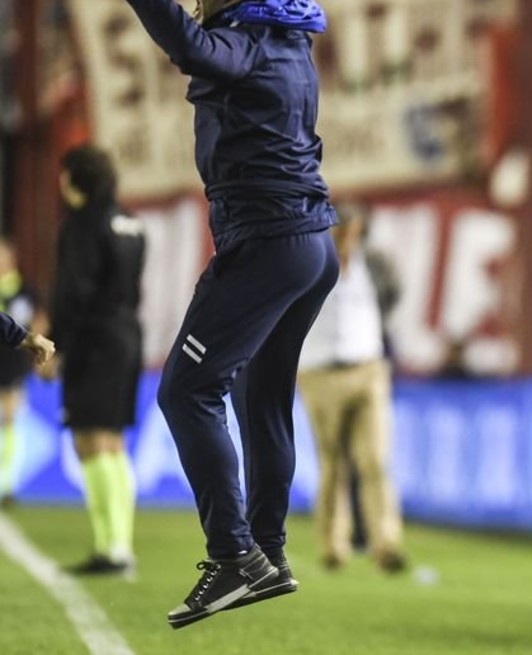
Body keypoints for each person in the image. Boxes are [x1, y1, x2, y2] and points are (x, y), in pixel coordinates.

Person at [122, 0, 340, 628]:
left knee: (186, 392)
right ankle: (267, 552)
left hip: (269, 243)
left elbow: (191, 46)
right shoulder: (290, 42)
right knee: (262, 398)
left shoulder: (247, 40)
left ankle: (235, 557)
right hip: (310, 247)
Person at [45, 146, 146, 576]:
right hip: (127, 335)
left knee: (91, 440)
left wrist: (57, 345)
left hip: (93, 339)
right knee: (114, 440)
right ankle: (119, 545)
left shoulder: (82, 224)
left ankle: (112, 548)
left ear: (76, 179)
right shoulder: (131, 221)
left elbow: (75, 291)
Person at [296, 205, 405, 573]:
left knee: (374, 460)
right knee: (333, 464)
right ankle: (333, 545)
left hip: (367, 369)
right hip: (319, 374)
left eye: (352, 230)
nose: (346, 237)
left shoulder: (373, 265)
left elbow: (392, 296)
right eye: (340, 230)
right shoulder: (307, 263)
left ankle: (386, 543)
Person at [0, 239, 42, 508]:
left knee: (10, 420)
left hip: (12, 362)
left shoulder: (25, 290)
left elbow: (39, 318)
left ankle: (7, 483)